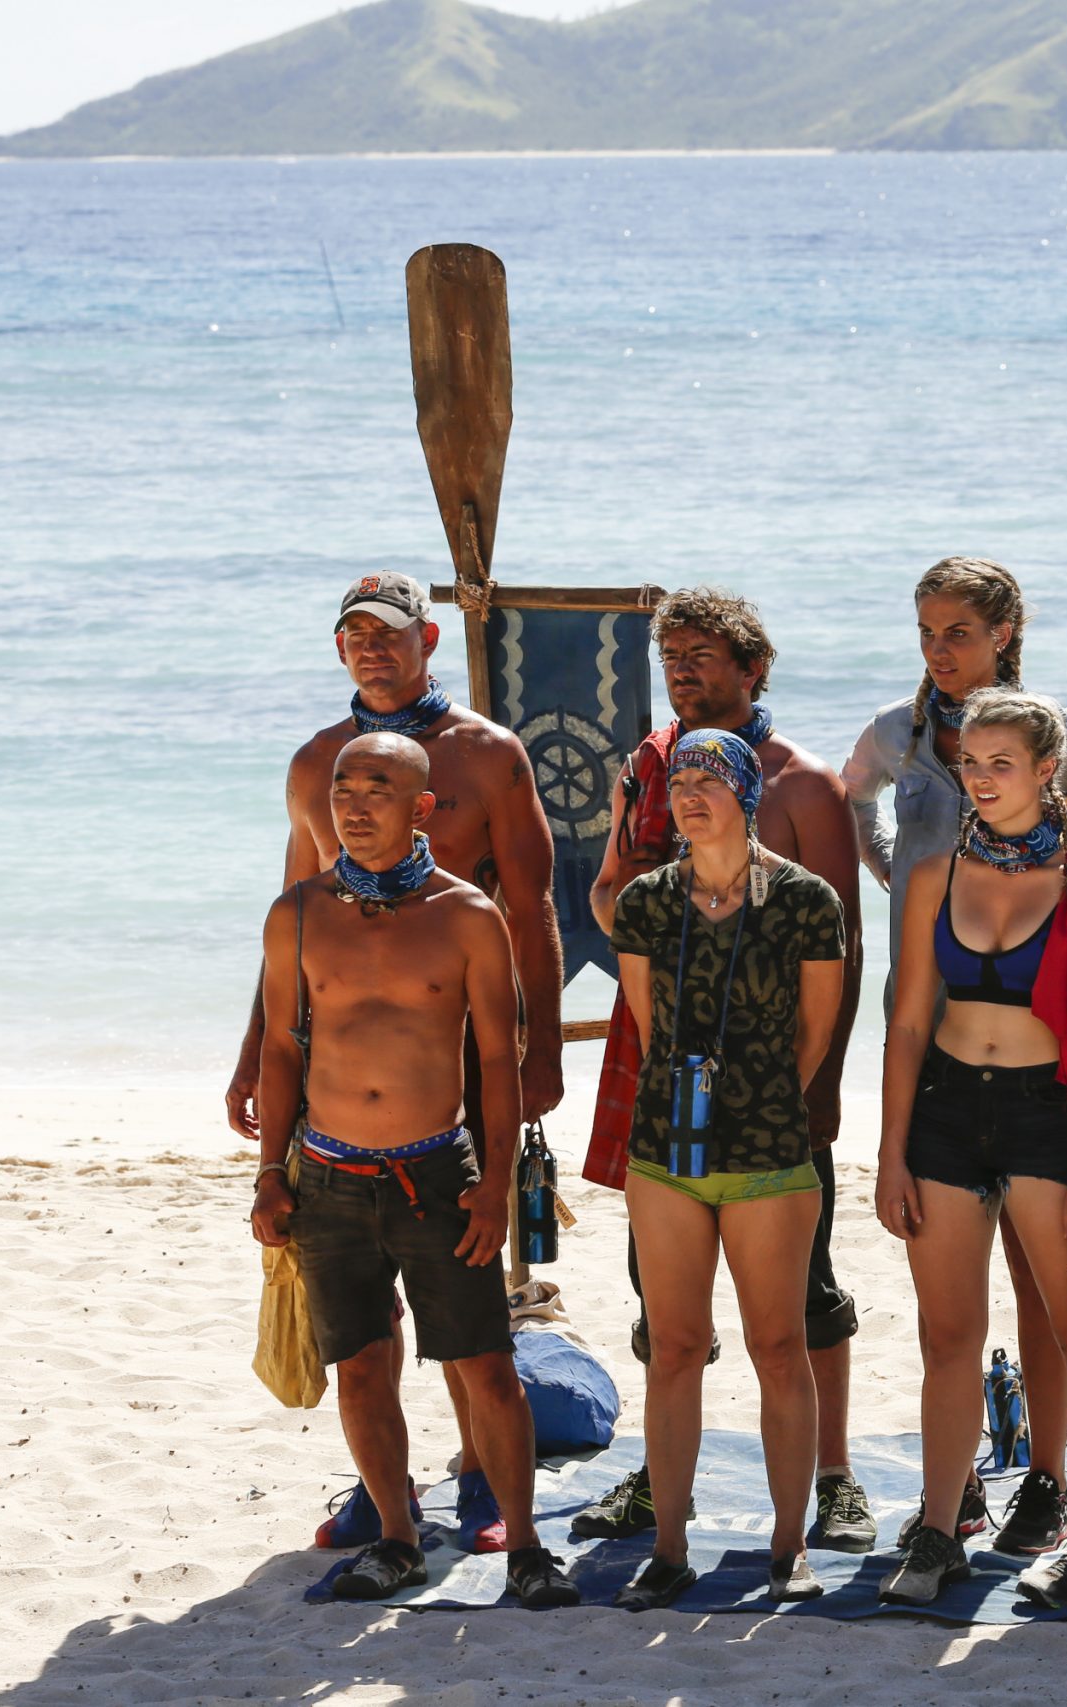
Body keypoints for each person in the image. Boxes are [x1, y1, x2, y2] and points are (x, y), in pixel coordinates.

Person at [227, 572, 564, 1554]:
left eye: (391, 634)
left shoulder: (487, 754)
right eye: (356, 637)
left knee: (466, 1292)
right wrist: (254, 1050)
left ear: (427, 641)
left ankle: (478, 1479)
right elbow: (292, 922)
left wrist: (539, 1044)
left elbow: (531, 905)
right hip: (338, 1065)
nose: (373, 650)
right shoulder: (316, 765)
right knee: (359, 1316)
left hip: (460, 1039)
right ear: (340, 651)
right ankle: (387, 1499)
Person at [841, 556, 1067, 1555]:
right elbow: (901, 1019)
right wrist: (889, 869)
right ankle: (943, 1518)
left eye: (958, 631)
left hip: (1042, 1107)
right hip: (940, 1096)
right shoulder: (903, 745)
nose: (940, 648)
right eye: (926, 630)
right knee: (946, 1337)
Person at [577, 588, 875, 1555]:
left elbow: (846, 942)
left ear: (754, 667)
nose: (683, 671)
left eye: (703, 655)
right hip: (666, 1069)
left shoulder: (801, 784)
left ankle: (831, 1475)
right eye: (672, 658)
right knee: (659, 1299)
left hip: (783, 1077)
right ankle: (664, 1483)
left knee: (804, 1298)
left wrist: (819, 1086)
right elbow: (614, 904)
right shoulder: (650, 770)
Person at [601, 729, 849, 1610]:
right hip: (666, 1148)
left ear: (746, 790)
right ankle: (669, 1545)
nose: (691, 793)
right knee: (672, 1347)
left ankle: (790, 1545)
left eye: (711, 778)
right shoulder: (644, 902)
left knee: (779, 1347)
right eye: (681, 780)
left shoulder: (806, 900)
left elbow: (815, 1035)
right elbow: (647, 1020)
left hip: (772, 1149)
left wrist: (761, 1098)